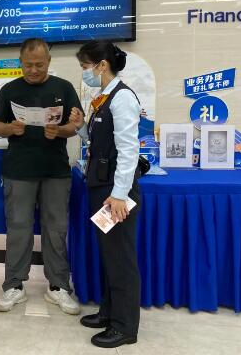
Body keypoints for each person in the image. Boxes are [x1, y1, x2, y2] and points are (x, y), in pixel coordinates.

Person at [0, 37, 82, 315]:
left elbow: (75, 126)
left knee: (56, 228)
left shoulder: (63, 88)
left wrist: (61, 131)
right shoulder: (9, 90)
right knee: (18, 227)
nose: (33, 70)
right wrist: (10, 129)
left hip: (56, 170)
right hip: (19, 170)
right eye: (28, 65)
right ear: (20, 62)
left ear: (49, 62)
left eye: (39, 65)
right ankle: (14, 285)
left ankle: (58, 286)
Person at [68, 40, 141, 349]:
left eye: (86, 66)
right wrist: (80, 128)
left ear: (102, 65)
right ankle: (110, 313)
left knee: (120, 258)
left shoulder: (122, 98)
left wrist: (120, 195)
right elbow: (101, 142)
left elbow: (128, 150)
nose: (84, 72)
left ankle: (124, 327)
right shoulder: (103, 98)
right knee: (110, 255)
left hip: (115, 193)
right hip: (103, 188)